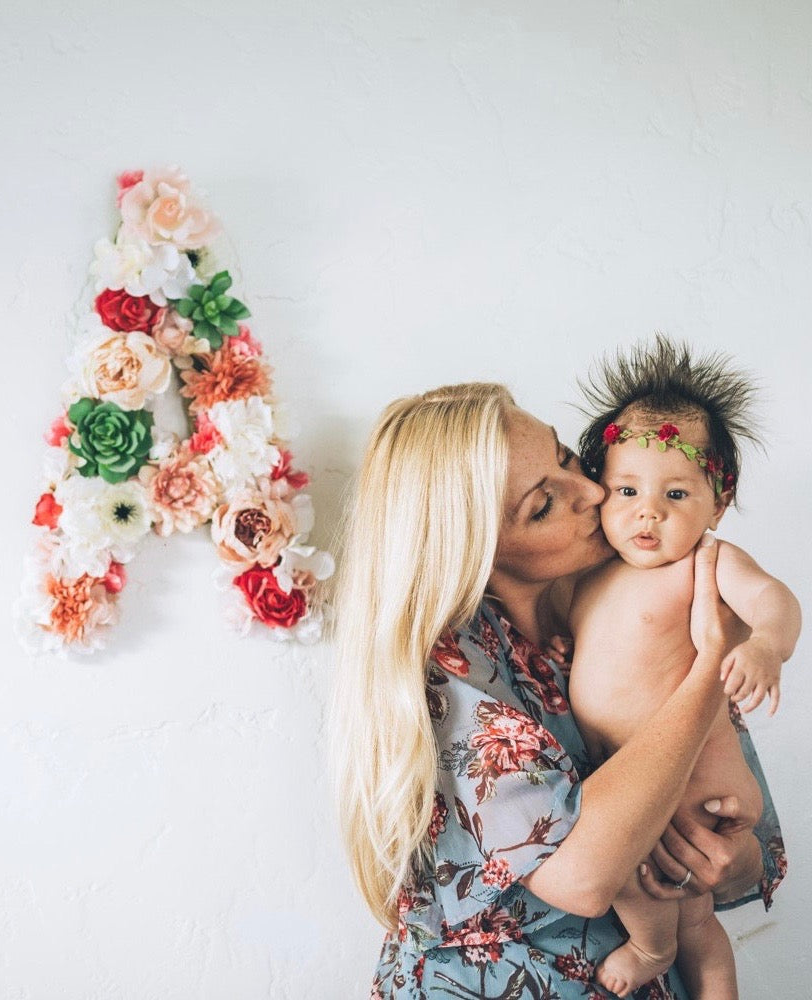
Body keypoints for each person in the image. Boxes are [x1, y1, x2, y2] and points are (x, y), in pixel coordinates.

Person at [332, 381, 787, 999]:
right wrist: (709, 667)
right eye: (544, 505)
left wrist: (730, 861)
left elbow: (730, 808)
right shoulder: (453, 670)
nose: (596, 492)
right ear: (477, 549)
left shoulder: (623, 606)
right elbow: (583, 878)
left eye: (568, 458)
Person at [564, 339, 800, 998]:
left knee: (642, 878)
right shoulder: (586, 581)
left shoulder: (704, 566)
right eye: (627, 490)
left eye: (675, 493)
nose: (649, 511)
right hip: (645, 780)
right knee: (697, 918)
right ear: (597, 496)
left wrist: (763, 646)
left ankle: (649, 946)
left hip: (697, 784)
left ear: (716, 504)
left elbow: (774, 600)